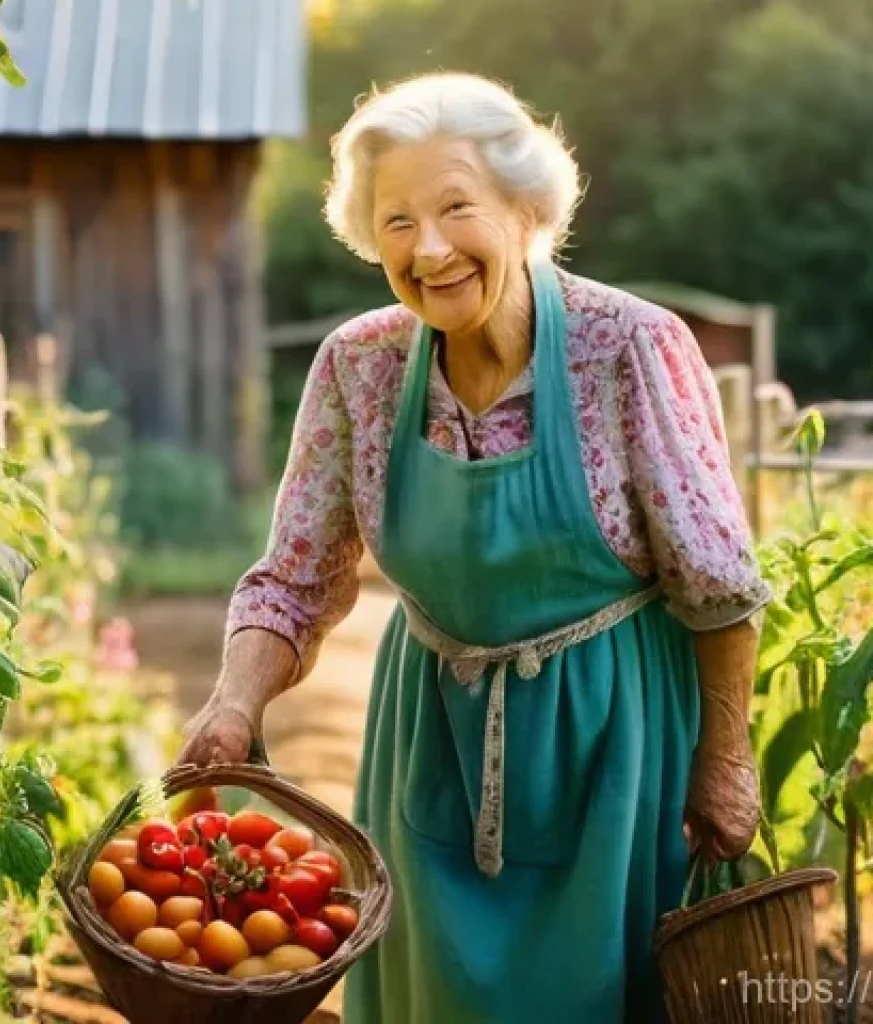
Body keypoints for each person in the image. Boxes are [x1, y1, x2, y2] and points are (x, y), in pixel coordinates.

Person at [177, 71, 771, 1023]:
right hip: (432, 749)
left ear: (525, 209)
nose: (431, 248)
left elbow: (719, 590)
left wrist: (726, 758)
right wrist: (232, 703)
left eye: (458, 207)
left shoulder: (629, 347)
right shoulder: (359, 367)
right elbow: (293, 579)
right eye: (398, 221)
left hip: (616, 756)